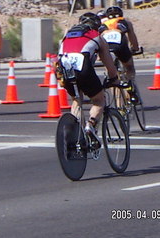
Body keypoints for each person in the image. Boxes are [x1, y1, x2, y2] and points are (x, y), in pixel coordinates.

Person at [58, 12, 125, 145]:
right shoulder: (97, 37)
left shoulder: (68, 34)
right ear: (97, 26)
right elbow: (109, 65)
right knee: (99, 100)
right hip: (82, 66)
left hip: (62, 67)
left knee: (77, 99)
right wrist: (114, 79)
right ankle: (90, 125)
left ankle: (77, 135)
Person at [99, 6, 140, 101]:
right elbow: (132, 38)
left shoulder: (102, 24)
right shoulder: (126, 22)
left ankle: (117, 100)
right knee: (129, 67)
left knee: (112, 73)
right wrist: (135, 48)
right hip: (120, 46)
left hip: (106, 47)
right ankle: (130, 86)